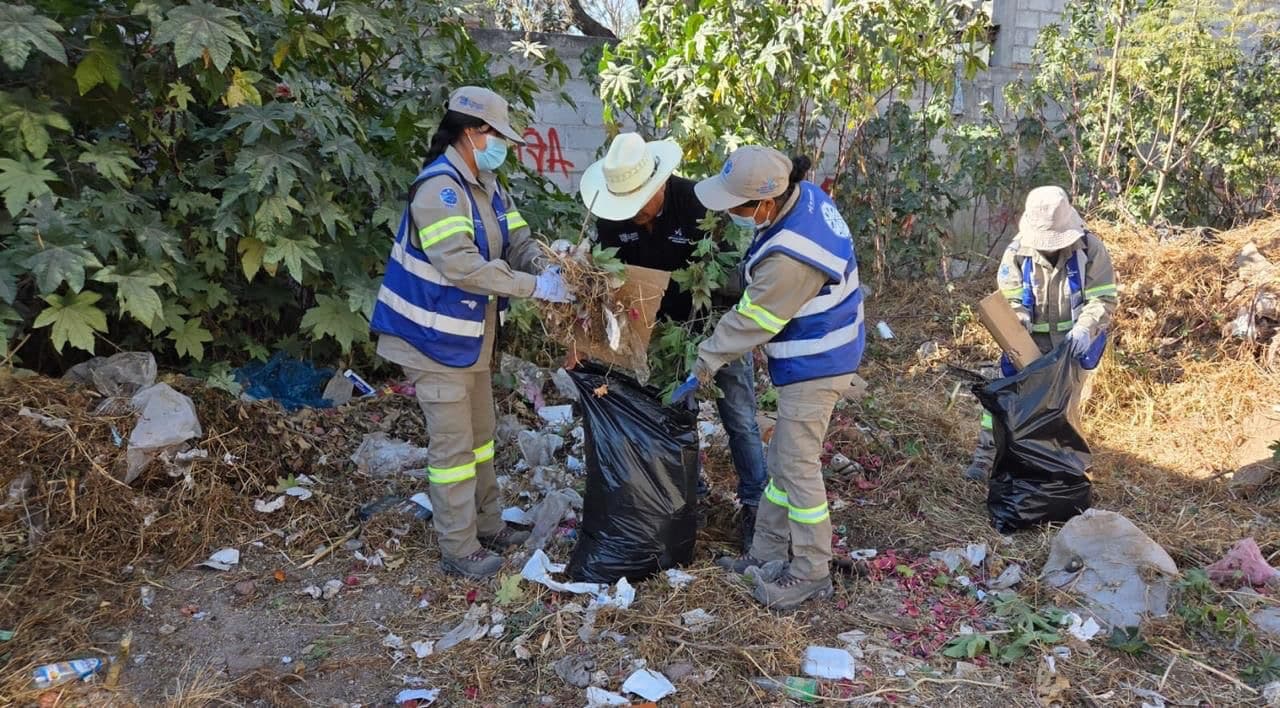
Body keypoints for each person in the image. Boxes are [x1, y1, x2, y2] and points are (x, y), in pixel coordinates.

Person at [370, 86, 575, 580]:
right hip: (429, 337)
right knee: (454, 448)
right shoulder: (438, 190)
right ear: (470, 132)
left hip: (468, 338)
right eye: (495, 135)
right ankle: (458, 547)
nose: (500, 144)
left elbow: (518, 241)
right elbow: (462, 265)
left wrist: (554, 266)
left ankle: (488, 524)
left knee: (481, 436)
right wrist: (535, 288)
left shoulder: (486, 183)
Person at [676, 146, 865, 610]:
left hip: (817, 362)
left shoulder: (789, 257)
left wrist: (703, 362)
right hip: (828, 344)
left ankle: (811, 571)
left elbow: (753, 320)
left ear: (762, 204)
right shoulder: (801, 196)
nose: (730, 213)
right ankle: (764, 555)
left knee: (798, 469)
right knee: (783, 463)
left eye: (736, 206)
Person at [576, 132, 768, 550]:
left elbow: (740, 264)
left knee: (739, 417)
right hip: (663, 336)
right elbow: (613, 287)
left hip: (717, 328)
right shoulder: (612, 219)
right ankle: (687, 499)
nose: (632, 214)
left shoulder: (699, 203)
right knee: (674, 418)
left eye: (637, 203)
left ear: (658, 185)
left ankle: (756, 505)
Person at [963, 185, 1118, 482]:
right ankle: (985, 458)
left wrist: (1085, 328)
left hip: (1073, 343)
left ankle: (1062, 472)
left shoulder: (1090, 249)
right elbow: (1009, 295)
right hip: (1027, 342)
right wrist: (1017, 316)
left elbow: (1103, 299)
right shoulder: (1018, 251)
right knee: (1005, 397)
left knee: (1063, 409)